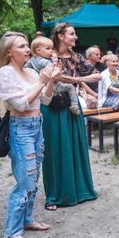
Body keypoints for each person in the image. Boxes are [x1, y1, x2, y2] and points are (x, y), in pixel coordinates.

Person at [0, 32, 60, 238]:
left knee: (34, 176)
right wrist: (42, 81)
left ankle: (28, 220)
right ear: (9, 52)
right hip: (20, 128)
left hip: (36, 126)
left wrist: (50, 80)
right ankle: (11, 233)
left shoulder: (31, 72)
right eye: (22, 46)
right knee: (24, 181)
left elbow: (46, 100)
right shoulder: (5, 73)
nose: (27, 49)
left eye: (26, 45)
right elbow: (21, 104)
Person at [41, 22, 99, 211]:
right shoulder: (47, 54)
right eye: (72, 34)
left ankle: (80, 190)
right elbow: (48, 78)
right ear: (60, 36)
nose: (76, 37)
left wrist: (75, 79)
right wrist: (71, 79)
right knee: (55, 149)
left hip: (72, 106)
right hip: (52, 107)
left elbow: (98, 75)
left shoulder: (77, 57)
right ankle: (55, 195)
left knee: (75, 147)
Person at [25, 36, 81, 115]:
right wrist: (55, 61)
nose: (51, 51)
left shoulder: (31, 60)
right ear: (38, 50)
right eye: (48, 48)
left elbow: (25, 68)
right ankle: (74, 105)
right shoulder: (46, 61)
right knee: (70, 87)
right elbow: (55, 71)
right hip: (51, 85)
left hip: (40, 87)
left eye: (51, 48)